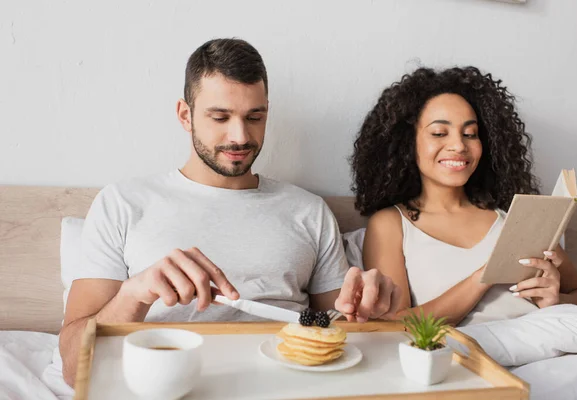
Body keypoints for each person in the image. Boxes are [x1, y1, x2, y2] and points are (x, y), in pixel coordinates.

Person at [58, 38, 403, 386]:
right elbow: (74, 368)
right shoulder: (123, 203)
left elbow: (335, 326)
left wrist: (371, 310)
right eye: (220, 117)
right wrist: (134, 294)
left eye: (255, 117)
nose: (240, 137)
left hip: (285, 386)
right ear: (184, 115)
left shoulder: (308, 211)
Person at [350, 66, 577, 327]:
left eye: (470, 134)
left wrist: (554, 300)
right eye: (439, 133)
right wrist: (484, 277)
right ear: (407, 143)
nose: (459, 145)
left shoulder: (514, 217)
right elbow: (395, 324)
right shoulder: (390, 224)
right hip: (468, 356)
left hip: (546, 348)